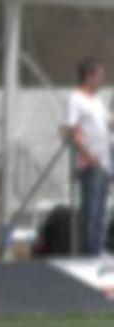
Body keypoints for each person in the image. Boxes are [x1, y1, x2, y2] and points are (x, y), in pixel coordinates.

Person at [65, 57, 112, 256]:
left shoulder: (97, 100)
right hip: (89, 162)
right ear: (89, 77)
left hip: (104, 162)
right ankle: (88, 252)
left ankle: (97, 249)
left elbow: (105, 123)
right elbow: (71, 129)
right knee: (90, 211)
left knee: (101, 210)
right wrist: (87, 153)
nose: (102, 79)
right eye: (99, 75)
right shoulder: (76, 99)